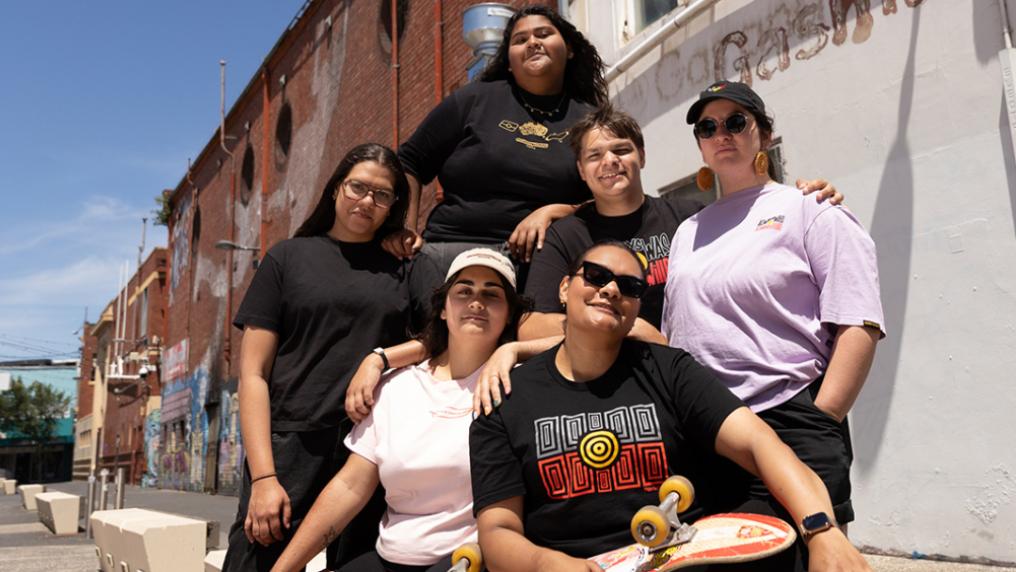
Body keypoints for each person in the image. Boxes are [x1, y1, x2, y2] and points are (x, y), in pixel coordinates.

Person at [469, 242, 872, 571]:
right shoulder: (504, 396)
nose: (611, 289)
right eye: (596, 276)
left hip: (679, 559)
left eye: (629, 286)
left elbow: (760, 445)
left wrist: (821, 530)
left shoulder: (669, 371)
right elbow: (498, 529)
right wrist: (546, 565)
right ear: (563, 289)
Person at [661, 81, 885, 533]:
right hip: (708, 431)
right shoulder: (687, 231)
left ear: (762, 134)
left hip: (789, 417)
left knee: (812, 558)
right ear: (701, 147)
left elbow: (859, 320)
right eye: (708, 127)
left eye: (736, 122)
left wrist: (822, 419)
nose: (721, 134)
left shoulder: (811, 207)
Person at [270, 249, 532, 572]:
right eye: (463, 291)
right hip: (388, 559)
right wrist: (284, 569)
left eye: (492, 295)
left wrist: (515, 349)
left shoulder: (517, 385)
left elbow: (590, 342)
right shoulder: (396, 387)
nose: (476, 302)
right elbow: (349, 487)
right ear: (443, 311)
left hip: (466, 561)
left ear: (509, 315)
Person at [222, 143, 411, 571]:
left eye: (382, 195)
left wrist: (379, 357)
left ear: (393, 206)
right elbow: (253, 374)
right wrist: (264, 477)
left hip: (367, 448)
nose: (367, 201)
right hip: (290, 445)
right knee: (256, 561)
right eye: (358, 187)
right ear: (335, 189)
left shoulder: (404, 267)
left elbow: (436, 338)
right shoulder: (287, 258)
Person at [519, 105, 843, 346]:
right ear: (581, 169)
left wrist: (803, 198)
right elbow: (530, 325)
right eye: (595, 156)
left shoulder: (692, 220)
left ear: (642, 156)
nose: (610, 161)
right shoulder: (565, 235)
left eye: (622, 149)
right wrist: (627, 327)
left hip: (685, 378)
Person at [391, 4, 607, 328]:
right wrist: (404, 228)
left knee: (529, 367)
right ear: (508, 60)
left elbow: (609, 197)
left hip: (541, 263)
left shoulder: (589, 119)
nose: (532, 42)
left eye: (544, 34)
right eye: (520, 40)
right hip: (455, 252)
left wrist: (553, 211)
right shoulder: (474, 99)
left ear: (570, 49)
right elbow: (409, 160)